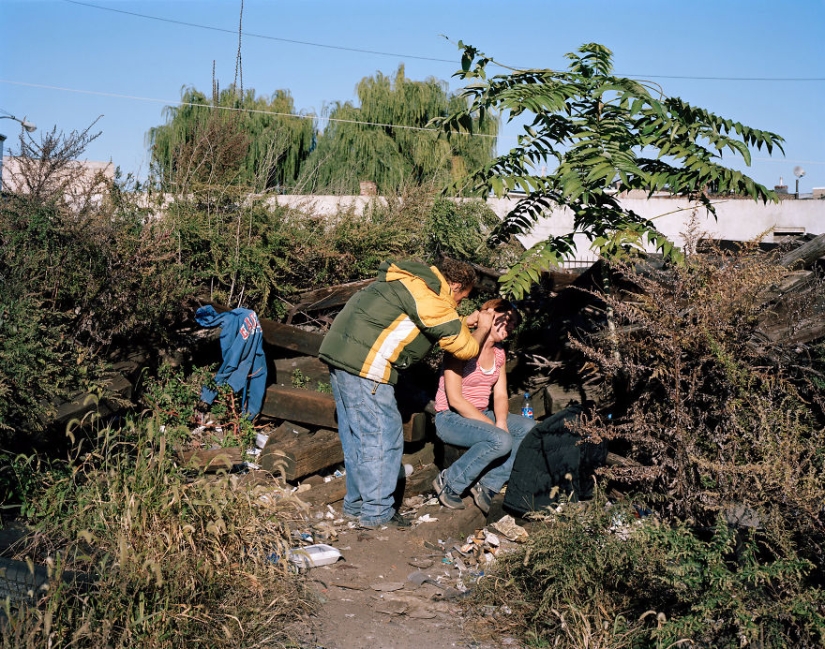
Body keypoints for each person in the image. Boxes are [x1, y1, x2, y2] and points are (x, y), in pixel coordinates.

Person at [318, 258, 495, 529]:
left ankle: (355, 506)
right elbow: (465, 349)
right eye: (463, 298)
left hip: (343, 358)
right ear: (455, 285)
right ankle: (377, 515)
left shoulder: (413, 282)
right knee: (382, 437)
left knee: (357, 438)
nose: (460, 303)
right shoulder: (430, 295)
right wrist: (482, 327)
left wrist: (462, 321)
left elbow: (428, 320)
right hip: (367, 366)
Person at [432, 298, 535, 514]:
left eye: (514, 324)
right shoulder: (463, 346)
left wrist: (501, 421)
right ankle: (449, 482)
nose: (512, 326)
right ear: (490, 313)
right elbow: (456, 400)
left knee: (529, 429)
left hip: (480, 413)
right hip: (451, 418)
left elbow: (500, 395)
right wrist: (494, 426)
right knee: (501, 439)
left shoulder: (499, 354)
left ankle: (487, 484)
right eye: (508, 320)